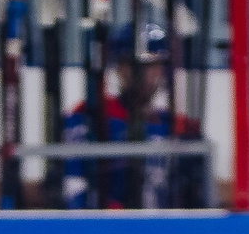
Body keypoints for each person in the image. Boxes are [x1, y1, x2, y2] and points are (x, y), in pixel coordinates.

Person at [60, 20, 208, 211]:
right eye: (135, 65)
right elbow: (73, 193)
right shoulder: (88, 119)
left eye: (154, 65)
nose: (147, 75)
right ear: (120, 68)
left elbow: (196, 202)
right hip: (102, 231)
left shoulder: (178, 128)